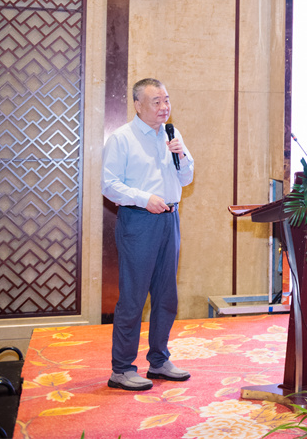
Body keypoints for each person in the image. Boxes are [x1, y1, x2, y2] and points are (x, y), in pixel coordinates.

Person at [102, 78, 194, 391]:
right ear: (138, 105)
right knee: (133, 297)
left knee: (167, 295)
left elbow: (186, 178)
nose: (164, 107)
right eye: (156, 101)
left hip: (170, 219)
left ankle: (159, 360)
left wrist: (182, 156)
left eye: (166, 100)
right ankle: (121, 368)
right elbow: (109, 184)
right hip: (139, 221)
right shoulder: (122, 138)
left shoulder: (172, 134)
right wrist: (144, 199)